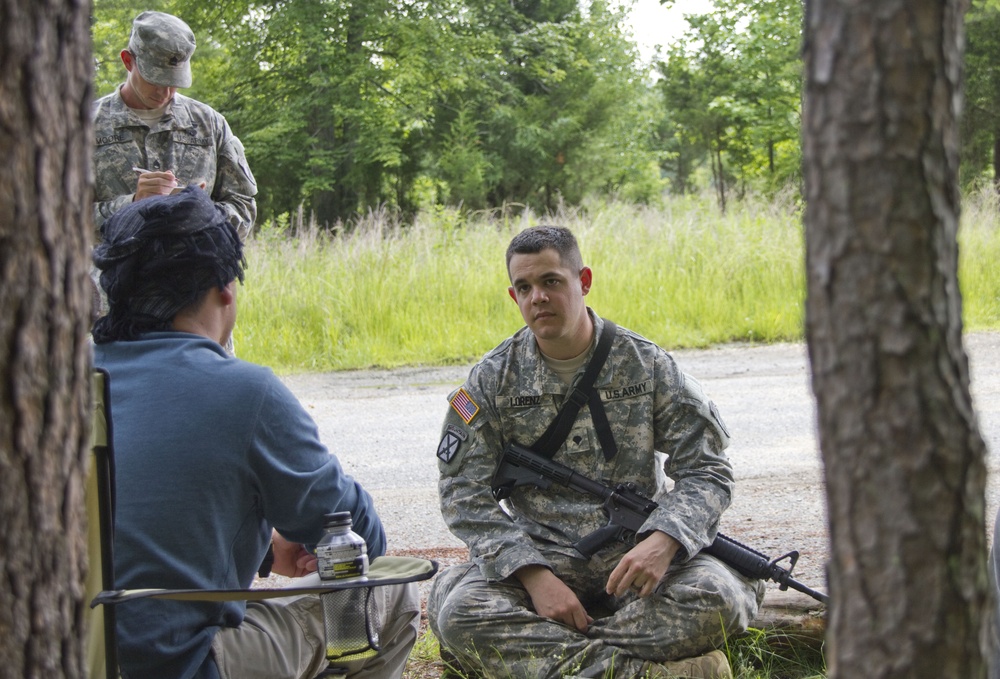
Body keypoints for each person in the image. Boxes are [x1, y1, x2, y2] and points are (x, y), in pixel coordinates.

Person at [91, 187, 419, 679]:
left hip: (56, 652)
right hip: (180, 665)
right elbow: (358, 537)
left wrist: (264, 541)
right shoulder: (245, 391)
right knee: (391, 588)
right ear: (225, 287)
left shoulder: (50, 388)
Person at [427, 226, 764, 678]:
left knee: (718, 598)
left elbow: (707, 470)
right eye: (524, 288)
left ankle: (548, 656)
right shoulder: (491, 380)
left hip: (635, 555)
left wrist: (663, 540)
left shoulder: (646, 364)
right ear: (513, 296)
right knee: (463, 615)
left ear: (583, 281)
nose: (538, 298)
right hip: (541, 554)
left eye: (551, 281)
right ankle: (651, 673)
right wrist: (533, 575)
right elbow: (461, 492)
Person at [92, 10, 257, 241]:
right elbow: (58, 217)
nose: (165, 91)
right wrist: (132, 205)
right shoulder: (86, 126)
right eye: (154, 79)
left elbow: (244, 208)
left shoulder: (209, 124)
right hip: (112, 275)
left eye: (174, 82)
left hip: (193, 274)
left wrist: (202, 214)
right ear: (128, 61)